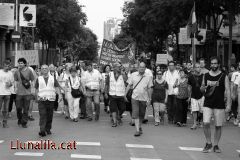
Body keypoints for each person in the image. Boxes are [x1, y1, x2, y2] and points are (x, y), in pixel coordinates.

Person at [200, 56, 231, 153]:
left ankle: (216, 145)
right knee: (205, 123)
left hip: (219, 104)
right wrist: (202, 88)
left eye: (215, 63)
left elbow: (228, 91)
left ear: (218, 64)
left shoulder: (223, 76)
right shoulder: (206, 75)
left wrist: (229, 105)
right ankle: (208, 143)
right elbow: (202, 89)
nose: (213, 65)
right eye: (212, 63)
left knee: (218, 126)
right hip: (207, 103)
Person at [125, 61, 153, 137]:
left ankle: (139, 126)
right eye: (140, 67)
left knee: (141, 114)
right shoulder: (133, 75)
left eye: (143, 67)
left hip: (144, 99)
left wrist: (150, 99)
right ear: (138, 68)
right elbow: (128, 85)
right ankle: (137, 130)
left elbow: (150, 88)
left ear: (145, 68)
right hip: (135, 98)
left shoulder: (148, 77)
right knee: (136, 113)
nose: (141, 68)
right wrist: (125, 95)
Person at [35, 65, 62, 137]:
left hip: (51, 99)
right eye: (42, 68)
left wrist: (59, 95)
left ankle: (48, 128)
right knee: (42, 114)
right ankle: (42, 130)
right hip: (41, 99)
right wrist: (36, 97)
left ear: (48, 70)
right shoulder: (39, 78)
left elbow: (56, 87)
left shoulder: (53, 78)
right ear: (41, 70)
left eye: (45, 68)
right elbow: (36, 89)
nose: (44, 69)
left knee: (50, 115)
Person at [14, 58, 35, 128]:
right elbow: (16, 81)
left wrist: (33, 90)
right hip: (19, 93)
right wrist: (15, 88)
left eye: (21, 63)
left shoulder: (29, 71)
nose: (20, 64)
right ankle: (20, 118)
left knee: (26, 108)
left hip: (27, 93)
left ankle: (24, 122)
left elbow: (33, 80)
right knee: (18, 108)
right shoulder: (16, 71)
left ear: (25, 64)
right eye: (19, 63)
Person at [105, 62, 126, 127]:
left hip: (121, 94)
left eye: (119, 66)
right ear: (114, 68)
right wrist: (105, 93)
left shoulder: (123, 74)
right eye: (117, 66)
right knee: (113, 109)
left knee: (122, 108)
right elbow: (107, 84)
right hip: (112, 95)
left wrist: (123, 74)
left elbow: (127, 81)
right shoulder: (110, 74)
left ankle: (118, 116)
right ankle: (114, 122)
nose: (119, 68)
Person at [188, 63, 204, 129]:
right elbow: (189, 86)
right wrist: (189, 96)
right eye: (197, 67)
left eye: (200, 67)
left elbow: (206, 86)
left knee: (201, 111)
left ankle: (201, 122)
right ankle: (195, 123)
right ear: (194, 68)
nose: (199, 68)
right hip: (194, 96)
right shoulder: (191, 76)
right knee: (194, 110)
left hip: (202, 95)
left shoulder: (203, 76)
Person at [0, 61, 14, 128]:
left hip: (7, 93)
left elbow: (12, 83)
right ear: (3, 65)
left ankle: (5, 123)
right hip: (0, 93)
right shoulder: (0, 72)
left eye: (8, 66)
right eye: (5, 66)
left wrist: (10, 84)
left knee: (6, 109)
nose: (7, 67)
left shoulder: (10, 73)